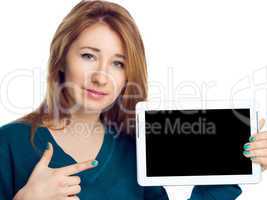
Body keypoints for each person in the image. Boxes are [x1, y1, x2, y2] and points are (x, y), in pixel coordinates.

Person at [0, 0, 266, 199]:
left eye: (118, 63)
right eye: (88, 56)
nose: (101, 77)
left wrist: (238, 165)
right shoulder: (9, 144)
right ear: (61, 59)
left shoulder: (134, 150)